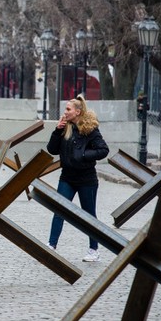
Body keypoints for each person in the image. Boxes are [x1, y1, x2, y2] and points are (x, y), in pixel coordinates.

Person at [46, 96, 109, 262]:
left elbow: (103, 150)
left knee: (89, 215)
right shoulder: (64, 128)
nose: (65, 112)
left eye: (68, 109)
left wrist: (83, 155)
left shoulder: (90, 130)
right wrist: (57, 130)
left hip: (86, 179)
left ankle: (93, 249)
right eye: (65, 109)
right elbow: (52, 149)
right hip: (66, 177)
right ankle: (51, 245)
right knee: (59, 209)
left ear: (78, 112)